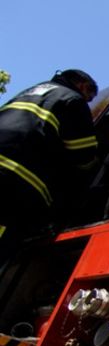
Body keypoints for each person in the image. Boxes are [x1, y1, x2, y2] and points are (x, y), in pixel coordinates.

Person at [0, 69, 99, 266]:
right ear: (81, 84)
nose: (88, 101)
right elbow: (84, 156)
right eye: (89, 95)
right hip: (14, 184)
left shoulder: (28, 93)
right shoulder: (72, 99)